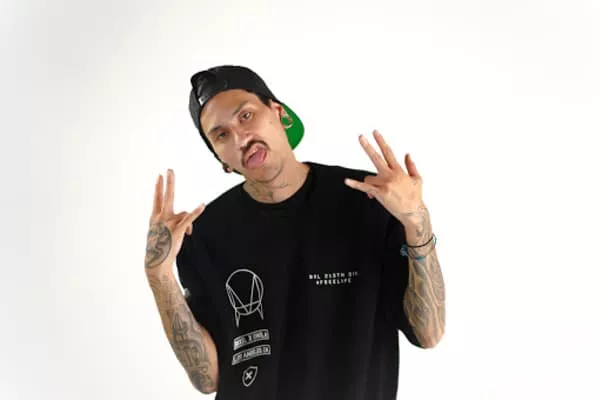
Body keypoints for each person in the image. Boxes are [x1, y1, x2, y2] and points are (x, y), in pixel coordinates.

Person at [144, 65, 445, 400]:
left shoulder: (370, 202)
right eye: (222, 135)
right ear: (221, 159)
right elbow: (208, 378)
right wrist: (159, 275)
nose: (241, 138)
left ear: (279, 113)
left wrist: (417, 222)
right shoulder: (202, 235)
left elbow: (428, 333)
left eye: (246, 116)